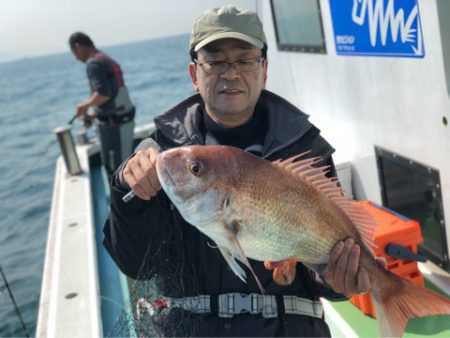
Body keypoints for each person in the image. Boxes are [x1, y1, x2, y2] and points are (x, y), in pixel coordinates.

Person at [103, 5, 381, 337]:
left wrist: (338, 279)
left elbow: (324, 275)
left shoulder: (306, 149)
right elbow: (136, 263)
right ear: (195, 75)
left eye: (245, 60)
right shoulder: (164, 154)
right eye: (216, 61)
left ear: (263, 70)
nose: (231, 73)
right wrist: (128, 193)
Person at [69, 32, 136, 178]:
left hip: (114, 127)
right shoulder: (104, 58)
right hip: (123, 120)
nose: (76, 57)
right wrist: (95, 113)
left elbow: (103, 94)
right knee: (124, 165)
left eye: (74, 53)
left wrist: (83, 107)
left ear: (78, 47)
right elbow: (112, 94)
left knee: (117, 170)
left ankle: (124, 200)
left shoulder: (93, 63)